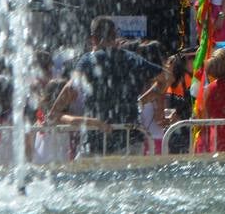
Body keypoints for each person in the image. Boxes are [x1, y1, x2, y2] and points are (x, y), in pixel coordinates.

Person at [48, 16, 164, 154]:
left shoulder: (88, 60)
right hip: (129, 137)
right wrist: (143, 100)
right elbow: (165, 78)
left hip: (96, 139)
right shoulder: (132, 58)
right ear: (115, 36)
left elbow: (70, 88)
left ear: (93, 38)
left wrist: (54, 112)